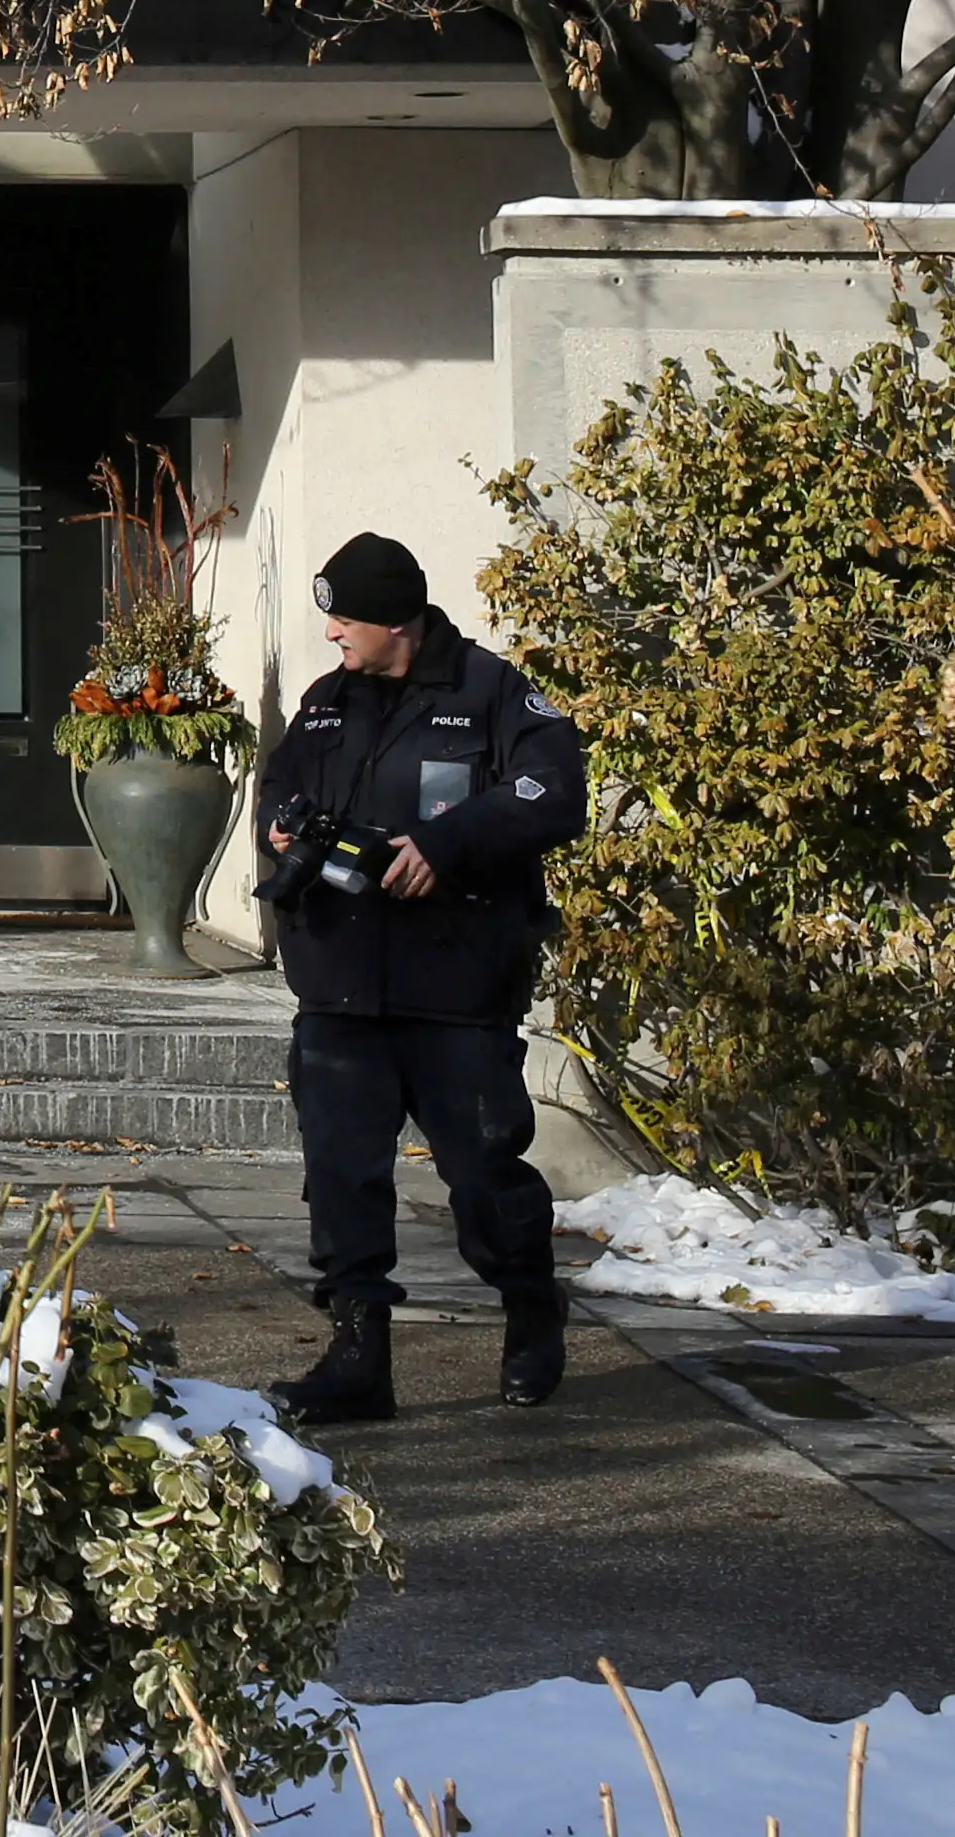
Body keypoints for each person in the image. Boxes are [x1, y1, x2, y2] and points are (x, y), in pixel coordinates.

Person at [252, 529, 588, 1423]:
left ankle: (529, 1307)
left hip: (454, 986)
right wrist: (282, 834)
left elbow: (552, 793)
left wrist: (443, 846)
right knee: (339, 1175)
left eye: (347, 620)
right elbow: (277, 789)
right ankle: (359, 1358)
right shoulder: (326, 704)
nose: (332, 637)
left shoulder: (492, 694)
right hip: (339, 986)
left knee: (481, 1172)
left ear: (396, 623)